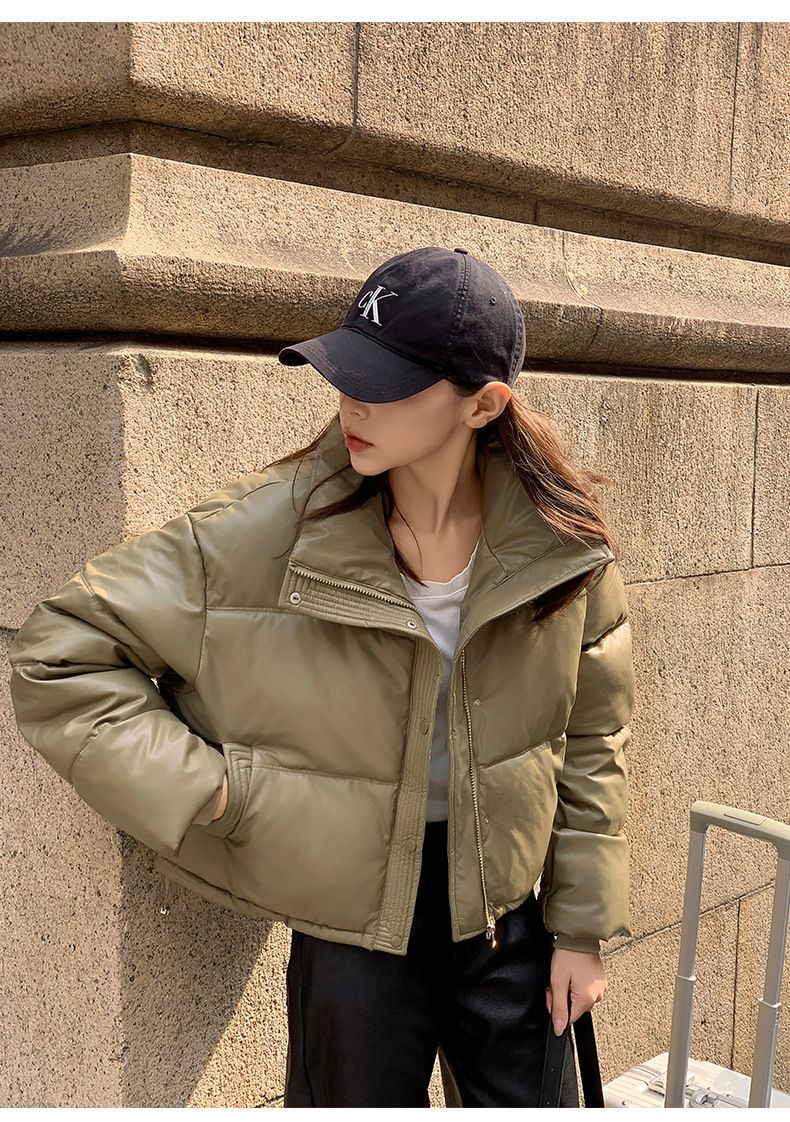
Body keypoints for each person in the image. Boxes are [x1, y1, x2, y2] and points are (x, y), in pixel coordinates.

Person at [8, 246, 634, 1108]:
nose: (352, 403)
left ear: (484, 404)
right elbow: (59, 651)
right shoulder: (271, 525)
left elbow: (593, 740)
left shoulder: (561, 547)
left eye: (388, 385)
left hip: (506, 916)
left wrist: (582, 930)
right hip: (351, 927)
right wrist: (215, 792)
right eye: (347, 373)